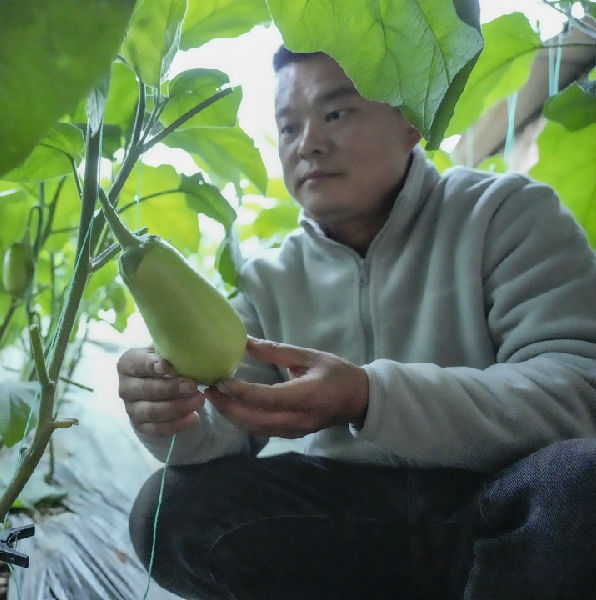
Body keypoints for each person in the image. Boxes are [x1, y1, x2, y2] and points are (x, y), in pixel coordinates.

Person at [118, 46, 596, 600]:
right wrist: (170, 415)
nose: (308, 144)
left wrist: (368, 397)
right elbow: (223, 427)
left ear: (411, 122)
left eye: (336, 113)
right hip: (347, 521)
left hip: (496, 509)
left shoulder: (505, 213)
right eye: (288, 127)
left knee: (582, 480)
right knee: (171, 510)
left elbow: (576, 393)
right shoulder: (267, 279)